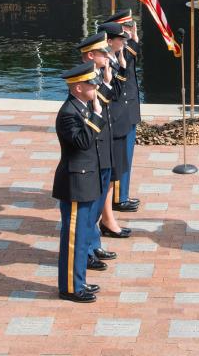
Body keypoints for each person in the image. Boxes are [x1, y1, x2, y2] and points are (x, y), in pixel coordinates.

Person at [52, 63, 109, 302]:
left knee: (84, 233)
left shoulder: (81, 106)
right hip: (75, 182)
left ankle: (79, 281)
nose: (95, 87)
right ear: (77, 88)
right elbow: (83, 142)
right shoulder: (68, 113)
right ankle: (70, 287)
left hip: (86, 179)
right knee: (74, 237)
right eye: (90, 84)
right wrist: (96, 114)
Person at [77, 32, 125, 259]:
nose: (107, 56)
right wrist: (105, 80)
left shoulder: (98, 74)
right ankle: (87, 249)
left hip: (104, 144)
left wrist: (108, 76)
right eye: (102, 53)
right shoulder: (84, 80)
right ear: (90, 56)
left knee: (100, 198)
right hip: (93, 149)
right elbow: (102, 101)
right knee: (91, 204)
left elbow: (113, 94)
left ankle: (94, 244)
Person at [100, 13, 141, 212]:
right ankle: (118, 197)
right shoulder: (111, 52)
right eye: (125, 29)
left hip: (128, 108)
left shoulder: (125, 48)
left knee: (126, 155)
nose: (128, 33)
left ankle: (121, 194)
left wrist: (133, 42)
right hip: (119, 110)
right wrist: (132, 43)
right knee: (120, 156)